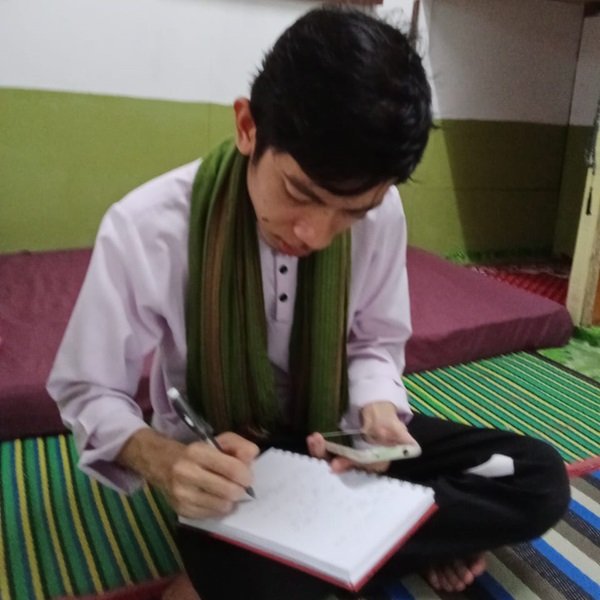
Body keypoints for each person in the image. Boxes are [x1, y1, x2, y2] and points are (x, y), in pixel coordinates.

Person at [47, 7, 570, 600]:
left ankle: (352, 542)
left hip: (338, 437)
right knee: (231, 560)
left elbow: (374, 341)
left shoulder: (383, 213)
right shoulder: (147, 226)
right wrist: (163, 460)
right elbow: (88, 389)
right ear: (248, 127)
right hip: (232, 455)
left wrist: (377, 410)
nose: (316, 234)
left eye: (353, 212)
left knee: (538, 478)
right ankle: (413, 533)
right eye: (299, 192)